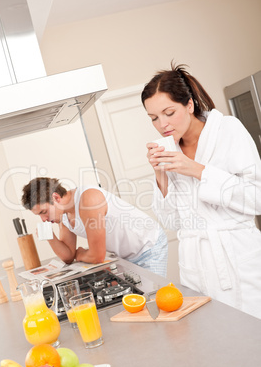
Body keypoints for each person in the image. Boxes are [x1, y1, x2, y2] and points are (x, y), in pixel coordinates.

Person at [141, 61, 261, 319]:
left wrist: (198, 170)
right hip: (197, 265)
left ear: (189, 105)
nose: (162, 124)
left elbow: (257, 198)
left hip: (238, 259)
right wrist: (159, 174)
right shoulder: (169, 151)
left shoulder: (228, 130)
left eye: (169, 112)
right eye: (154, 118)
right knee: (216, 340)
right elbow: (172, 221)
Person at [21, 177, 168, 277]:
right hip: (125, 256)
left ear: (56, 198)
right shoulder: (64, 214)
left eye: (44, 212)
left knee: (154, 300)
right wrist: (50, 237)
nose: (43, 219)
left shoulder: (88, 200)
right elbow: (68, 256)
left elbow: (97, 256)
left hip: (148, 246)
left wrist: (81, 254)